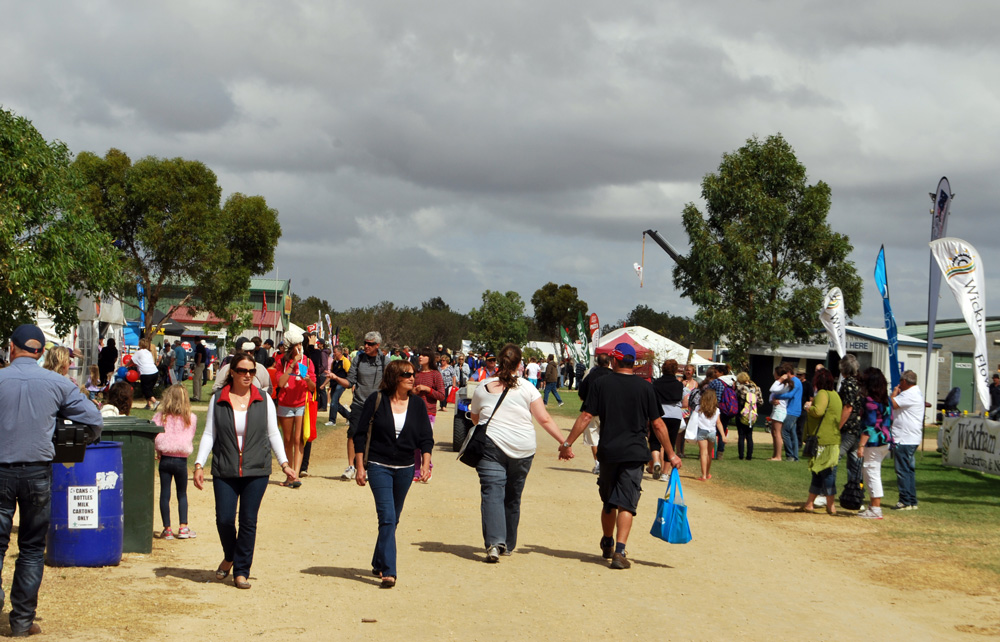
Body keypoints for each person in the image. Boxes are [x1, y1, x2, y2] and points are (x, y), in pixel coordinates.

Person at [0, 324, 103, 636]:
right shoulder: (58, 383)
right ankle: (21, 622)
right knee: (31, 548)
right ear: (41, 352)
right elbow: (94, 421)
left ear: (11, 347)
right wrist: (67, 438)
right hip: (37, 472)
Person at [559, 343, 682, 570]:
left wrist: (567, 444)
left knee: (609, 502)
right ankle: (620, 551)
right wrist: (671, 454)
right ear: (633, 363)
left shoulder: (601, 384)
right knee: (627, 502)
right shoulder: (646, 388)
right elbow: (657, 424)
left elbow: (587, 416)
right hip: (634, 452)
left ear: (614, 361)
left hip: (608, 452)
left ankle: (607, 541)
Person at [193, 354, 296, 590]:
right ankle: (230, 555)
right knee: (224, 519)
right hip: (225, 468)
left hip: (257, 469)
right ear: (232, 372)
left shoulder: (264, 400)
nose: (247, 375)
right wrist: (199, 464)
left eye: (251, 371)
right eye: (242, 370)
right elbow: (210, 434)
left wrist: (285, 464)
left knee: (248, 521)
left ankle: (241, 571)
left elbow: (273, 434)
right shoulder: (218, 398)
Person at [470, 344, 564, 562]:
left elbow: (475, 418)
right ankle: (508, 543)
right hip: (523, 448)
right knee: (513, 497)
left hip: (491, 445)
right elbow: (544, 419)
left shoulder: (483, 386)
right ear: (520, 364)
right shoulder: (528, 388)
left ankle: (495, 543)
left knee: (493, 493)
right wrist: (564, 442)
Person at [353, 360, 434, 587]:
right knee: (387, 517)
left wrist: (425, 464)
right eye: (407, 374)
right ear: (395, 377)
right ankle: (389, 571)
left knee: (393, 519)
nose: (412, 377)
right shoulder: (376, 400)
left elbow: (426, 438)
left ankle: (379, 560)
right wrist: (360, 466)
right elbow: (360, 435)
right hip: (379, 466)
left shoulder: (417, 405)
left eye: (413, 374)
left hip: (406, 469)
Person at [153, 384, 198, 540]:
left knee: (165, 493)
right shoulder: (190, 418)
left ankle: (167, 529)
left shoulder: (160, 417)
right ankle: (183, 527)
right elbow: (189, 436)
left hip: (165, 458)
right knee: (181, 493)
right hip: (181, 460)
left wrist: (158, 450)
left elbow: (156, 436)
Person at [345, 332, 391, 480]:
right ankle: (352, 467)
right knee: (353, 433)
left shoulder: (385, 361)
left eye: (370, 344)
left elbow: (390, 383)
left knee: (375, 435)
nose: (366, 346)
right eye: (365, 343)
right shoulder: (358, 359)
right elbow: (350, 381)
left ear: (377, 345)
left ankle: (371, 466)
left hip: (378, 404)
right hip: (359, 403)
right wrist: (335, 378)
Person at [798, 368, 842, 515]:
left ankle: (831, 505)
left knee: (827, 472)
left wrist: (809, 407)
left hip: (823, 440)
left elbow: (818, 411)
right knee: (818, 472)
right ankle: (809, 503)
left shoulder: (823, 393)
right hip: (833, 438)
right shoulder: (835, 395)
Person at [275, 331, 315, 484]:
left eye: (300, 344)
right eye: (296, 345)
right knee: (288, 439)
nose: (299, 348)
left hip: (301, 404)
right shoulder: (281, 362)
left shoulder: (307, 362)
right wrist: (292, 364)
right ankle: (289, 473)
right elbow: (280, 383)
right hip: (285, 403)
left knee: (298, 439)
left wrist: (309, 380)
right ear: (289, 347)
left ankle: (295, 475)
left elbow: (312, 387)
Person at [856, 368, 893, 519]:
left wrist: (861, 445)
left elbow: (869, 426)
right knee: (872, 472)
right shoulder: (887, 400)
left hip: (874, 441)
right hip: (885, 440)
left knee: (871, 473)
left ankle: (876, 509)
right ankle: (873, 506)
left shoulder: (870, 402)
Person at [890, 370, 924, 510]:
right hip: (911, 437)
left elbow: (893, 404)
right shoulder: (916, 392)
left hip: (904, 437)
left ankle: (904, 500)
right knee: (909, 470)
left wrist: (893, 394)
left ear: (904, 382)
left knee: (902, 470)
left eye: (900, 381)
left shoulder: (908, 394)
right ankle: (911, 500)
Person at [412, 348, 444, 482]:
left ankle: (428, 467)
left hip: (429, 412)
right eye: (420, 354)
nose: (421, 357)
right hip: (414, 412)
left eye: (424, 355)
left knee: (425, 441)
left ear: (429, 358)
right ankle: (416, 470)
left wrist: (428, 389)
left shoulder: (436, 374)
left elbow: (442, 396)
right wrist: (414, 391)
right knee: (414, 442)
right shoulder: (416, 374)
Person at [578, 354, 613, 475]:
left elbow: (581, 392)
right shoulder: (613, 376)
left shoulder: (591, 375)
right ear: (609, 362)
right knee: (608, 437)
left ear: (597, 362)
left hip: (592, 410)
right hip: (609, 411)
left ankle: (598, 464)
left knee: (594, 438)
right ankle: (608, 464)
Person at [651, 359, 684, 479]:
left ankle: (656, 462)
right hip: (675, 414)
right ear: (675, 370)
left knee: (655, 440)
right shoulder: (679, 384)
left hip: (659, 412)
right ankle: (665, 473)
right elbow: (682, 399)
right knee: (670, 441)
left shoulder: (656, 383)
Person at [837, 354, 864, 486]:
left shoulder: (848, 384)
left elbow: (848, 407)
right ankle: (856, 492)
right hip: (858, 427)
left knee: (835, 457)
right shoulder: (859, 383)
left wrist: (838, 426)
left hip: (848, 427)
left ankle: (825, 492)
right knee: (855, 463)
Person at [685, 388, 723, 481]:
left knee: (703, 453)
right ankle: (707, 473)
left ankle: (703, 475)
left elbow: (693, 420)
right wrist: (723, 435)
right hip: (712, 432)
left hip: (702, 431)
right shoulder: (717, 410)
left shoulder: (699, 408)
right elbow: (718, 423)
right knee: (709, 454)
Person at [772, 364, 803, 461]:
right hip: (793, 410)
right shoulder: (795, 381)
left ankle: (790, 455)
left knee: (785, 432)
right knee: (792, 433)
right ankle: (795, 456)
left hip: (792, 410)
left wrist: (776, 396)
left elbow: (790, 395)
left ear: (789, 372)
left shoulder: (795, 381)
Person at [734, 372, 762, 460]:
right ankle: (749, 456)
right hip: (752, 414)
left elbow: (735, 399)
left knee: (741, 435)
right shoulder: (757, 388)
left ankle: (741, 455)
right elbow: (761, 402)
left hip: (742, 413)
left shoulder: (740, 388)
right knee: (749, 435)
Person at [323, 344, 351, 426]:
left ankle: (332, 421)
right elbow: (331, 374)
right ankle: (350, 416)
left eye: (335, 352)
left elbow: (349, 373)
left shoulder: (345, 361)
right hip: (334, 384)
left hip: (341, 384)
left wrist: (349, 384)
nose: (334, 354)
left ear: (340, 352)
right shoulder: (334, 362)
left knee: (333, 402)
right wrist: (324, 384)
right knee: (335, 403)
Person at [132, 338, 161, 409]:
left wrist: (126, 365)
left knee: (145, 389)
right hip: (154, 372)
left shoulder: (138, 352)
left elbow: (132, 361)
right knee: (149, 389)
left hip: (146, 373)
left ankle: (155, 402)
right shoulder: (148, 352)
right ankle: (148, 404)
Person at [767, 367, 789, 460]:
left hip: (780, 409)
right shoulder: (780, 384)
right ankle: (775, 454)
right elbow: (771, 396)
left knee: (777, 433)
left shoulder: (784, 384)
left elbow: (772, 389)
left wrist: (780, 379)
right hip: (776, 408)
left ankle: (778, 456)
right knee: (774, 432)